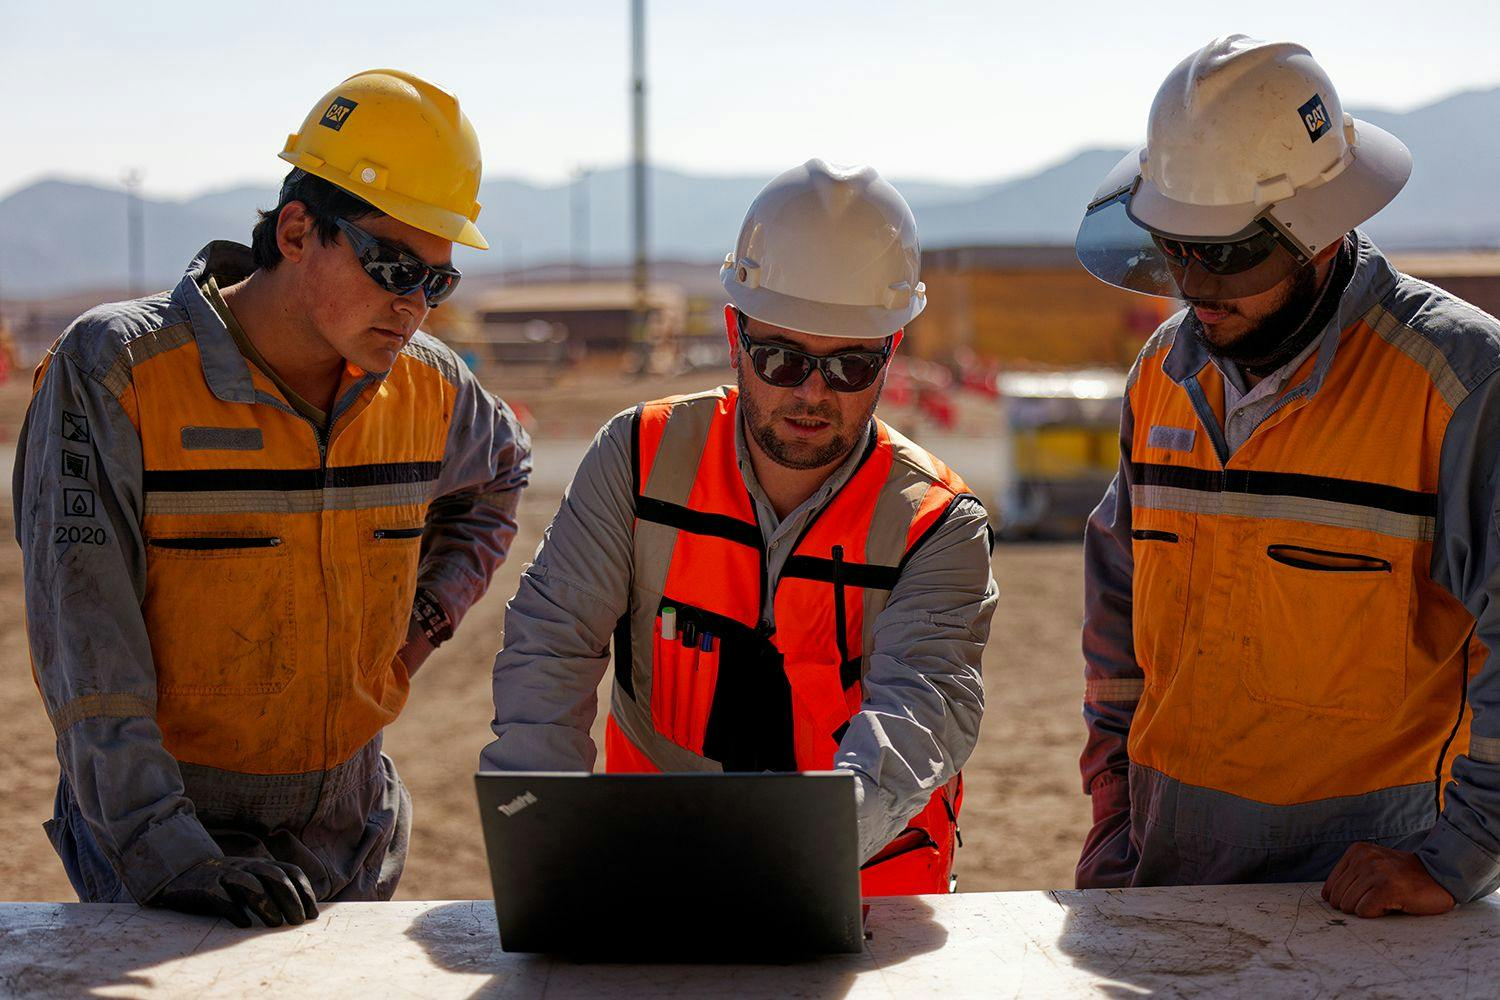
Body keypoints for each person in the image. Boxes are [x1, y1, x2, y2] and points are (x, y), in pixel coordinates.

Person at [14, 69, 531, 927]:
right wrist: (163, 850)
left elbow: (500, 478)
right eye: (395, 266)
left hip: (352, 832)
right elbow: (85, 644)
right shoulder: (117, 373)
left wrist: (419, 630)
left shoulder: (431, 389)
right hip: (164, 838)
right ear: (297, 230)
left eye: (437, 283)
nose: (414, 307)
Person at [481, 159, 996, 895]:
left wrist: (801, 854)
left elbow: (921, 707)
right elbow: (552, 638)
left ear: (891, 354)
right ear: (734, 334)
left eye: (849, 367)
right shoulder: (636, 459)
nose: (813, 393)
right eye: (781, 359)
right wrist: (538, 829)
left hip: (866, 881)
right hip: (660, 857)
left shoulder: (938, 524)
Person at [1074, 35, 1500, 917]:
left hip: (1359, 909)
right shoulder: (1161, 374)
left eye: (1226, 255)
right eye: (1174, 247)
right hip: (1162, 876)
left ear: (1321, 231)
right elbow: (1119, 599)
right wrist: (1115, 808)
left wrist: (1459, 857)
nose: (1194, 286)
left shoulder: (1458, 385)